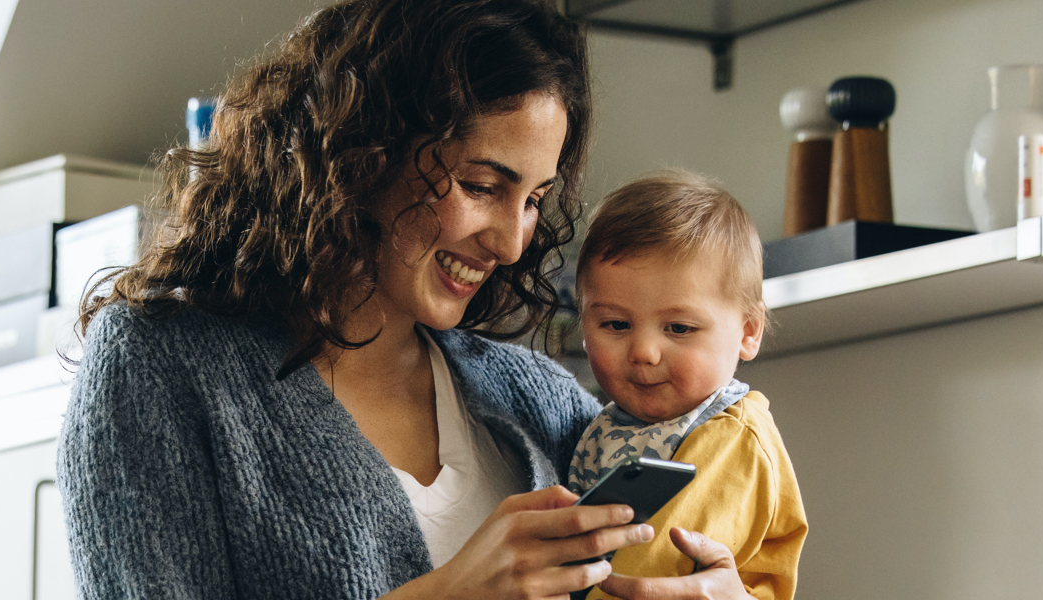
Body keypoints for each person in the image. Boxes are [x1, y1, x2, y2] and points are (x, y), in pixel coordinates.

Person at [58, 0, 762, 598]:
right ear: (363, 147)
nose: (514, 243)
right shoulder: (161, 366)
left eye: (534, 200)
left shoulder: (540, 402)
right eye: (483, 186)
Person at [567, 172, 808, 600]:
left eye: (678, 328)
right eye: (616, 324)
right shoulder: (600, 427)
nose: (643, 351)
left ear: (748, 331)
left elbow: (660, 558)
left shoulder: (733, 435)